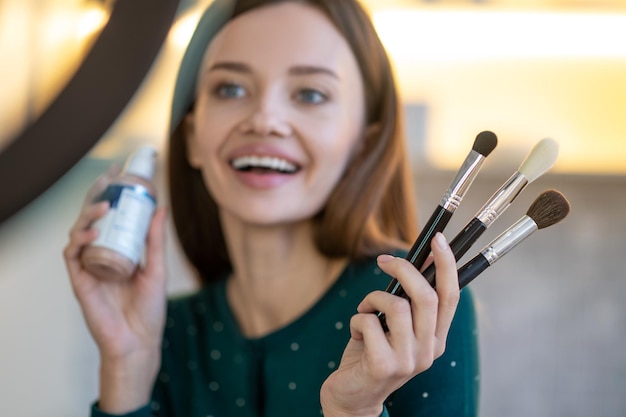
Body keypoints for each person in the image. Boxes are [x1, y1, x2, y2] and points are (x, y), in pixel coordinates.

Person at [64, 0, 480, 416]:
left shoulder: (413, 303)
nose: (264, 119)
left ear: (364, 142)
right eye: (231, 88)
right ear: (191, 135)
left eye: (311, 94)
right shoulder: (164, 331)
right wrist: (127, 365)